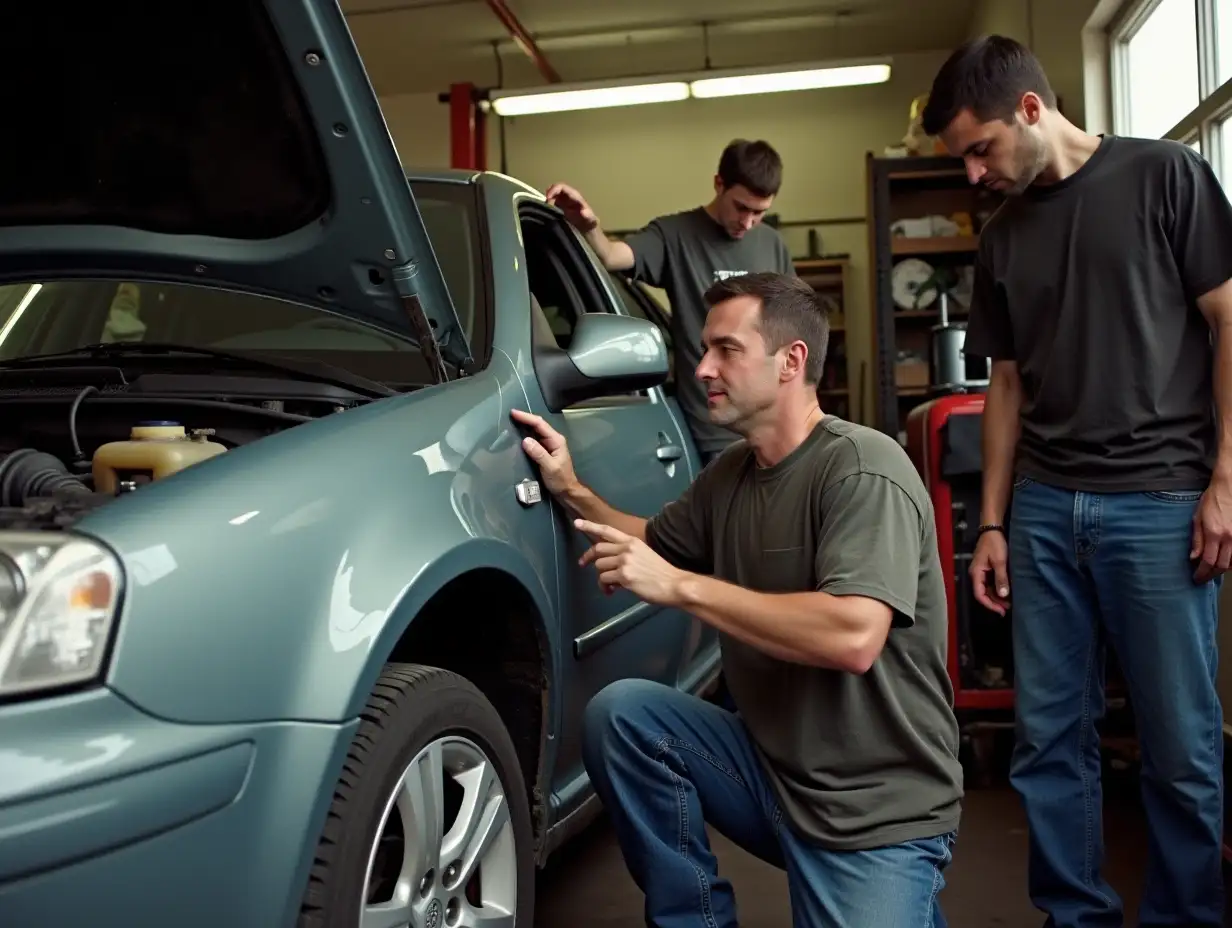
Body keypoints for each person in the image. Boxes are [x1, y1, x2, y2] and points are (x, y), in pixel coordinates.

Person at [510, 271, 963, 928]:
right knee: (626, 717)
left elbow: (853, 636)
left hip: (873, 813)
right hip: (772, 776)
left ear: (791, 361)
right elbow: (654, 544)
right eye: (704, 349)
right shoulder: (730, 476)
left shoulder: (863, 468)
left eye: (726, 349)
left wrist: (682, 589)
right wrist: (571, 487)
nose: (701, 369)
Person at [921, 34, 1232, 928]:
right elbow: (1005, 385)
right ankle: (1075, 916)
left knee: (1181, 747)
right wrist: (991, 523)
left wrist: (1224, 481)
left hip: (1163, 502)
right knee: (1048, 742)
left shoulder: (1167, 176)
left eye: (980, 148)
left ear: (1030, 109)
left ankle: (1187, 918)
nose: (975, 174)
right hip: (1047, 512)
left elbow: (1227, 322)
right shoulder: (1003, 237)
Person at [545, 139, 797, 464]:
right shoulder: (675, 235)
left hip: (775, 425)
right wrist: (589, 226)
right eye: (741, 208)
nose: (747, 222)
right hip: (715, 433)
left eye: (759, 213)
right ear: (719, 184)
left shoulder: (773, 244)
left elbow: (793, 329)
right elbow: (611, 256)